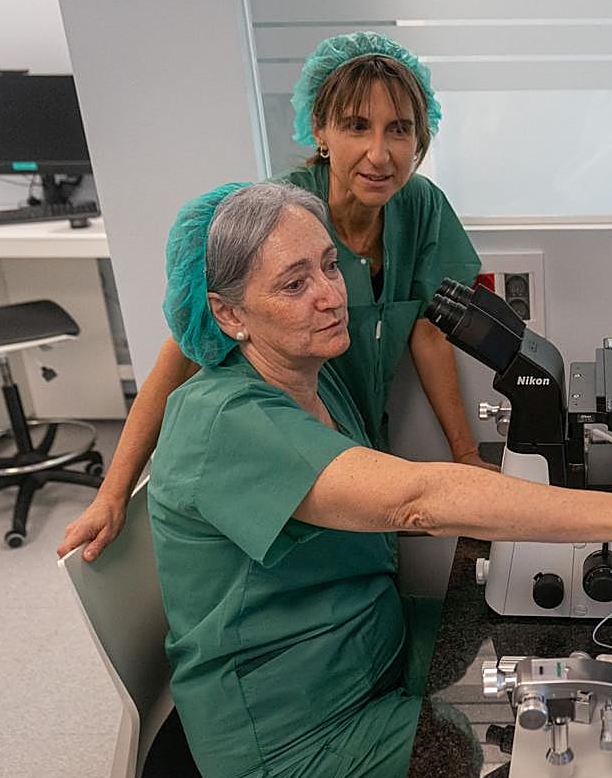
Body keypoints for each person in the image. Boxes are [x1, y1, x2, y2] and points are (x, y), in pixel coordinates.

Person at [148, 179, 612, 778]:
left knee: (539, 640)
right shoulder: (225, 420)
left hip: (365, 640)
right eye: (294, 284)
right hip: (287, 730)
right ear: (229, 313)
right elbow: (416, 500)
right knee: (458, 756)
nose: (329, 296)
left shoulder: (308, 376)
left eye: (328, 266)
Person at [59, 31, 488, 562]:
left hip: (360, 439)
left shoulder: (419, 206)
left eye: (398, 129)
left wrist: (466, 453)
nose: (379, 153)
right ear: (321, 129)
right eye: (357, 126)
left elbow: (427, 330)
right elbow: (181, 357)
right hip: (282, 446)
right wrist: (112, 494)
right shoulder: (279, 217)